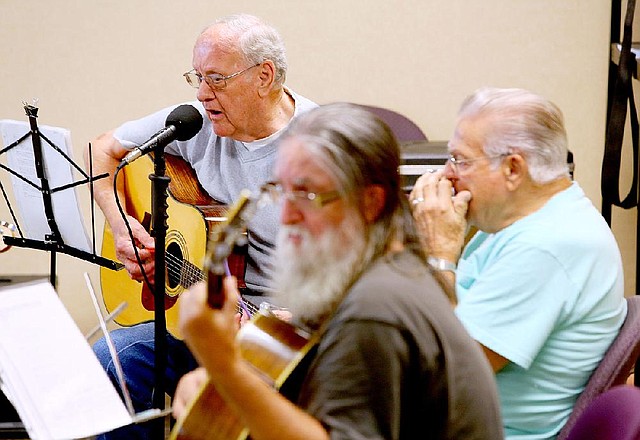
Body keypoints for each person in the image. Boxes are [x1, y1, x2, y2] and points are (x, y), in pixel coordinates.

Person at [172, 103, 504, 439]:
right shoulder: (380, 271)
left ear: (370, 202)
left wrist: (224, 367)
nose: (286, 216)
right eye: (281, 192)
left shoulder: (375, 306)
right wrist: (224, 386)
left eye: (307, 195)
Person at [87, 13, 317, 438]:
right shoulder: (194, 123)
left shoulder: (321, 146)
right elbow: (104, 151)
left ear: (264, 76)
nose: (202, 94)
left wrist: (290, 319)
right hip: (209, 318)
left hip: (285, 335)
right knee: (109, 361)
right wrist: (123, 229)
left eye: (216, 79)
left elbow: (362, 267)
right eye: (197, 76)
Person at [409, 87, 627, 439]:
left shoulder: (547, 246)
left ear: (513, 168)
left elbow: (449, 374)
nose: (448, 174)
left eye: (460, 160)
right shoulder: (515, 218)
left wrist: (439, 256)